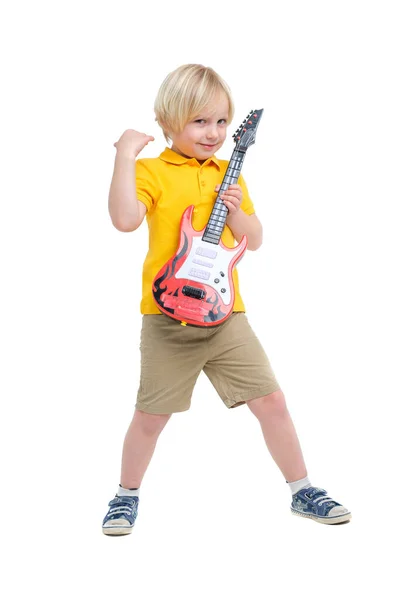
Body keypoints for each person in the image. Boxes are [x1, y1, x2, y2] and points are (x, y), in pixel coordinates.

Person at [102, 64, 351, 535]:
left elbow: (253, 241)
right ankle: (125, 496)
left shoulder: (227, 175)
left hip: (225, 314)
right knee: (151, 417)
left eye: (221, 121)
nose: (213, 133)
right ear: (168, 120)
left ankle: (303, 489)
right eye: (199, 121)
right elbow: (124, 219)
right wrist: (125, 156)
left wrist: (237, 212)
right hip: (167, 318)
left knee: (272, 402)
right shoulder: (153, 170)